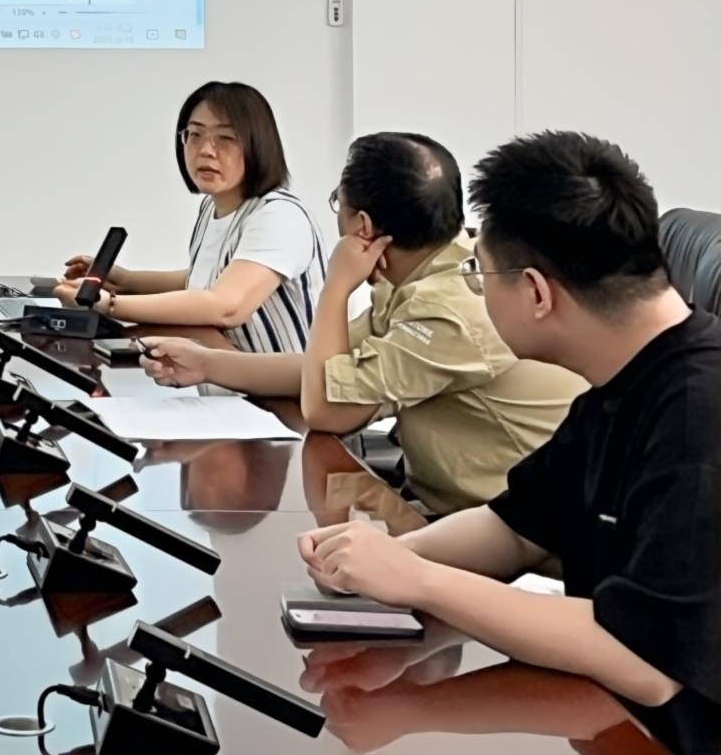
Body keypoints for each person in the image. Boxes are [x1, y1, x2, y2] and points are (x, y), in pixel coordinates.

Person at [297, 132, 721, 752]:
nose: (476, 289)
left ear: (536, 293)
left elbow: (647, 661)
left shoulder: (696, 418)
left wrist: (417, 583)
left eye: (478, 272)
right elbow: (517, 527)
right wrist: (378, 563)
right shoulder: (619, 384)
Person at [140, 133, 584, 513]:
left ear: (363, 227)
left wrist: (337, 287)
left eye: (339, 202)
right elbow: (326, 371)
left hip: (504, 524)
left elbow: (326, 409)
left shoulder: (446, 310)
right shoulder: (425, 271)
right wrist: (206, 364)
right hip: (438, 501)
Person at [56, 81, 324, 352]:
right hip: (223, 373)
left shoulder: (279, 216)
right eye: (195, 134)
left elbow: (226, 306)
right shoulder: (211, 207)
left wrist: (110, 304)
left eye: (226, 138)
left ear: (258, 144)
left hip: (279, 380)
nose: (206, 150)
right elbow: (204, 280)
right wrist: (124, 281)